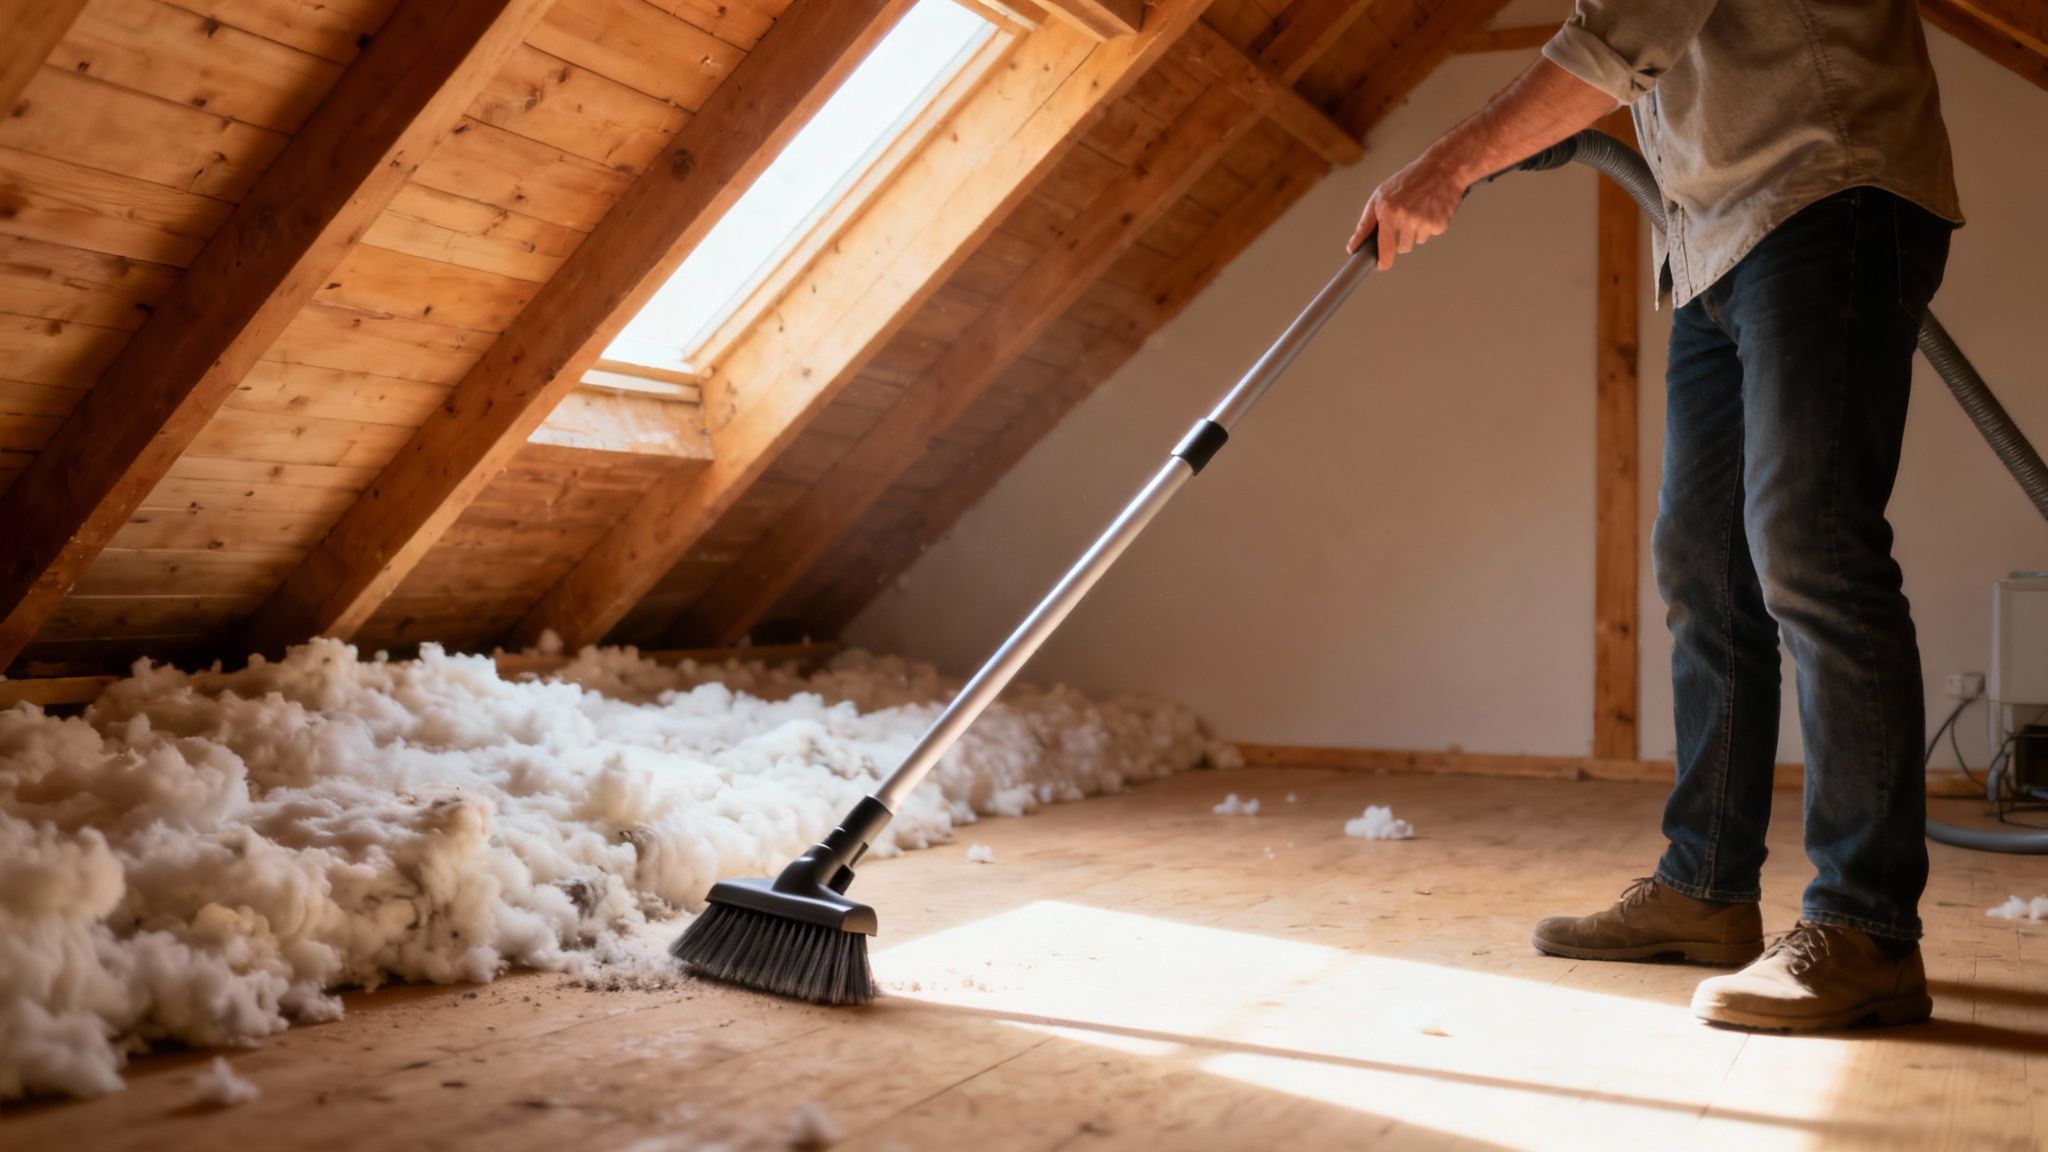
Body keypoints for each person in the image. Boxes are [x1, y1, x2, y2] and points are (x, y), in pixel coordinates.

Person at [1349, 0, 1961, 1031]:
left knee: (1810, 551)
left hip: (1823, 195)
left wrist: (1446, 163)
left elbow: (1617, 38)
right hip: (1715, 239)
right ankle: (1704, 890)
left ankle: (1865, 929)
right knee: (1701, 569)